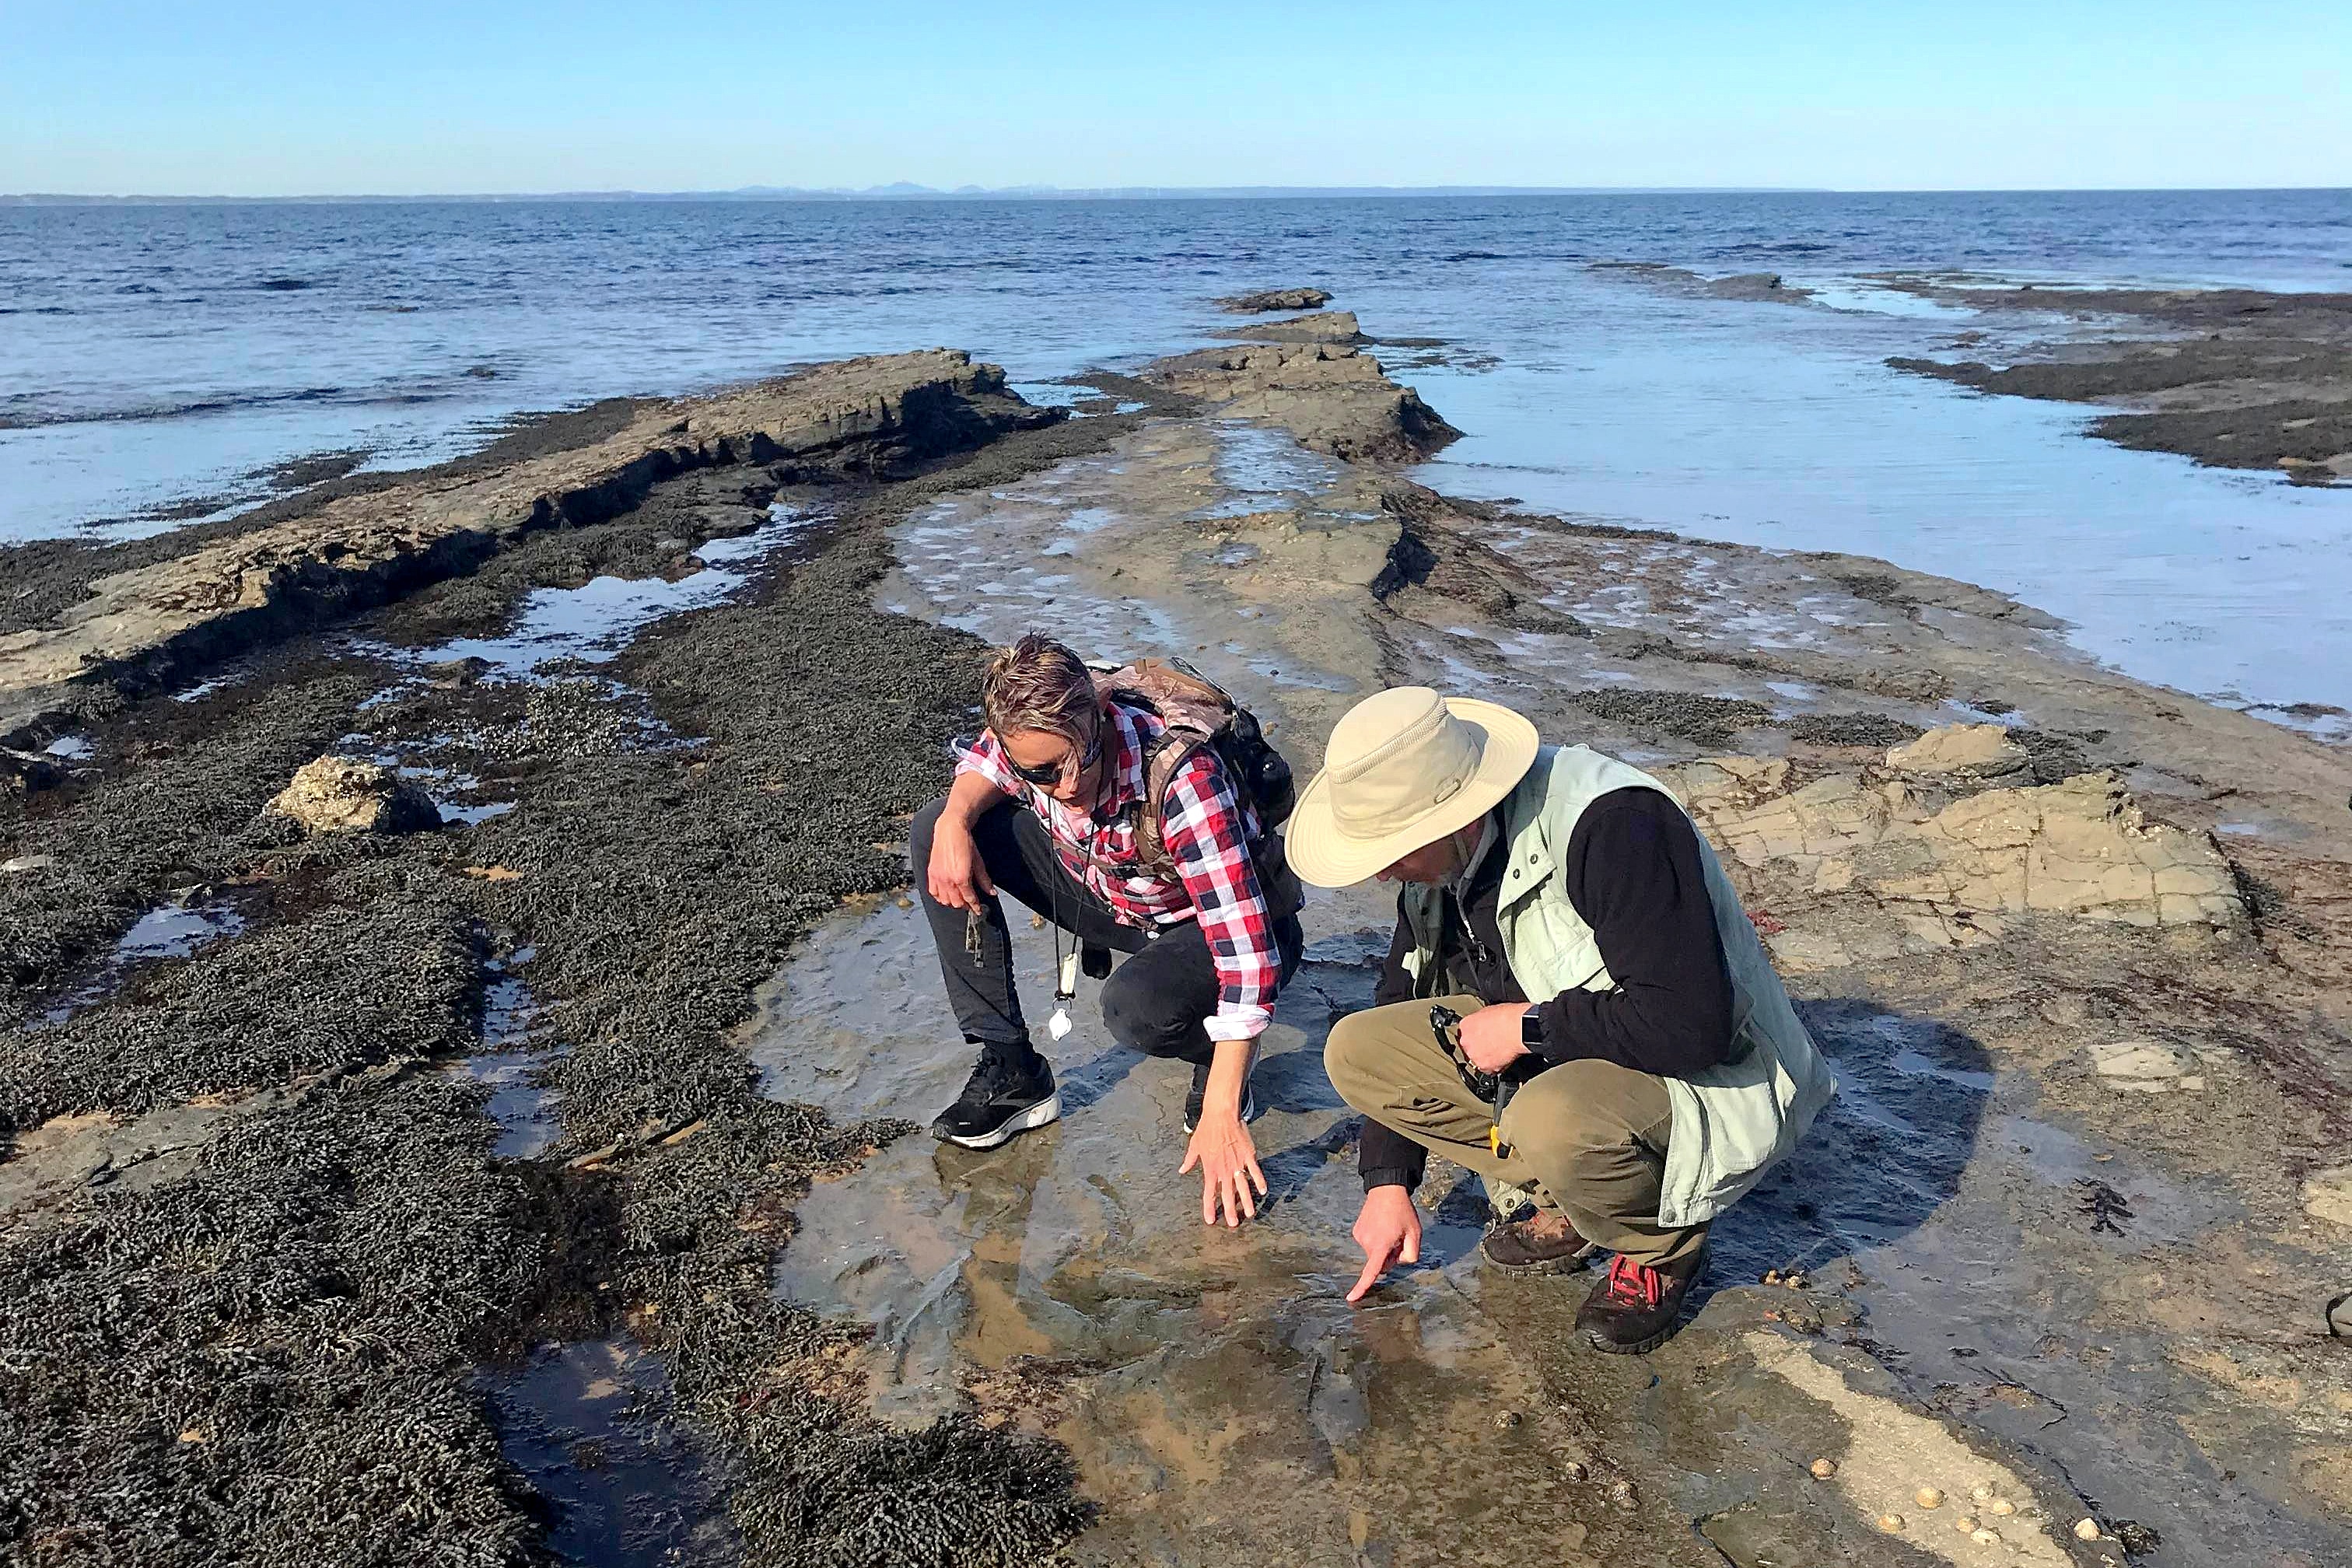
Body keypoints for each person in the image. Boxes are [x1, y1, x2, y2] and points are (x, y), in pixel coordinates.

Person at [1285, 687, 1836, 1353]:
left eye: (1392, 855)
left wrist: (1526, 1028)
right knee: (1358, 1051)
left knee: (1549, 1120)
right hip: (1579, 1048)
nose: (1381, 877)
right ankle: (1573, 1200)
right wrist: (1388, 1183)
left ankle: (1661, 1245)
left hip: (1713, 1073)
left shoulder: (1614, 825)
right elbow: (1397, 998)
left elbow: (1692, 1028)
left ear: (1451, 819)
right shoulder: (1437, 871)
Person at [912, 633, 1304, 1227]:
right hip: (1116, 897)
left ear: (1098, 713)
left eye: (1083, 755)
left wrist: (1223, 1107)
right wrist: (954, 820)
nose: (1068, 784)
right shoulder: (1026, 740)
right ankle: (1013, 1069)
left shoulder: (1183, 777)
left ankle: (1220, 1059)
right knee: (932, 832)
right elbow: (985, 763)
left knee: (1134, 1009)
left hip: (1226, 925)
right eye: (1042, 771)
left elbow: (1246, 956)